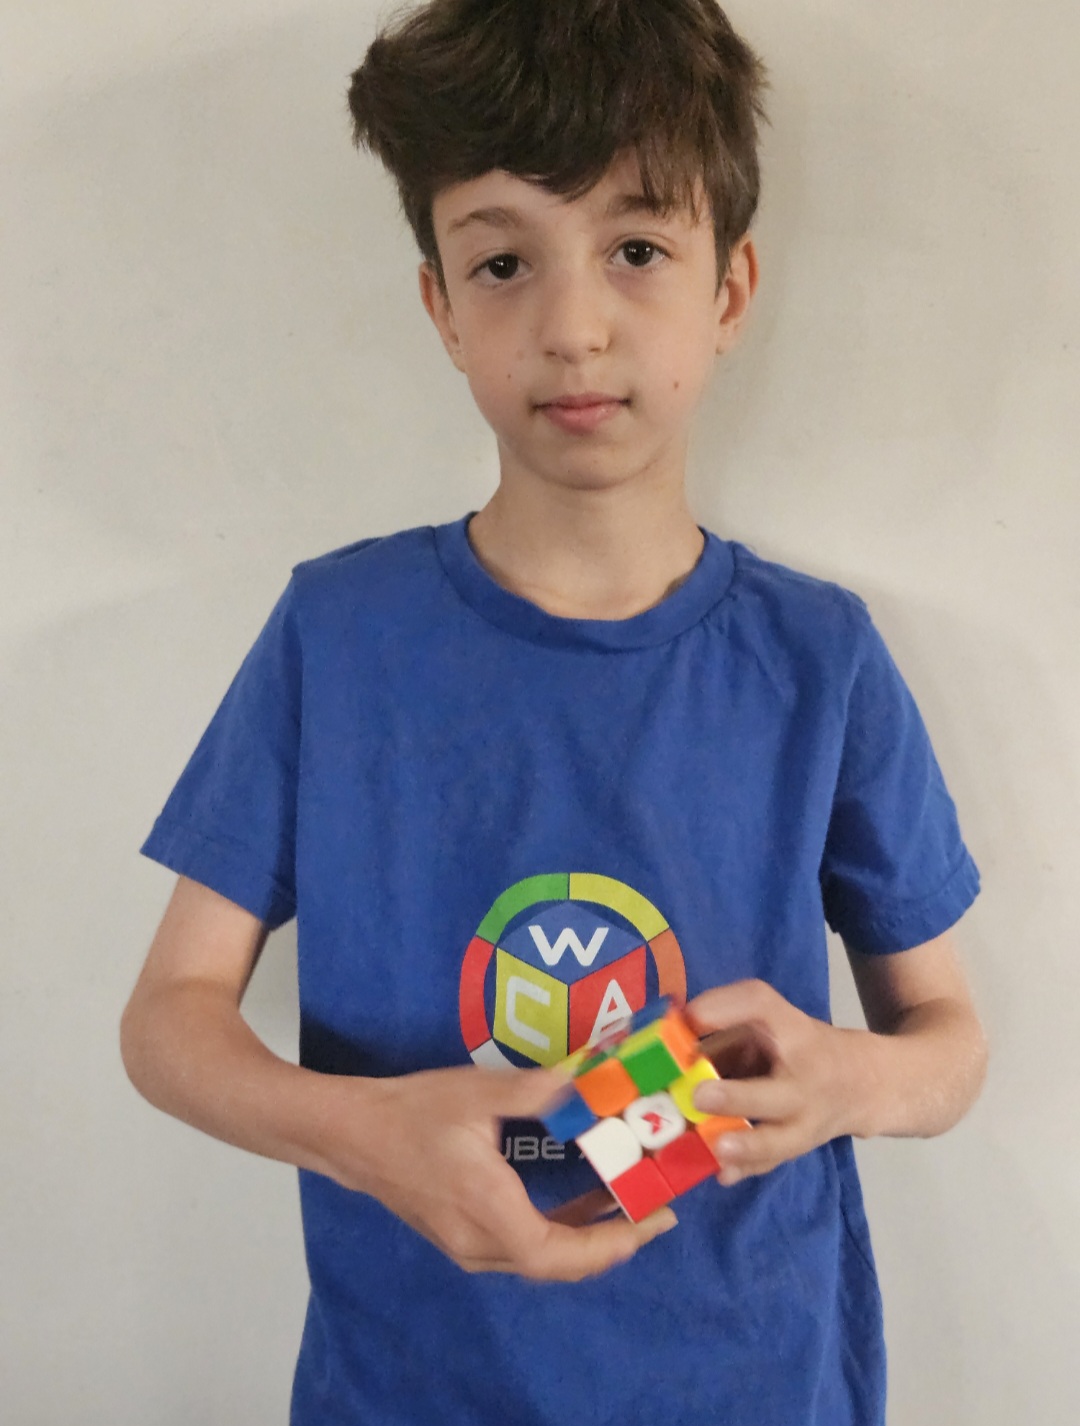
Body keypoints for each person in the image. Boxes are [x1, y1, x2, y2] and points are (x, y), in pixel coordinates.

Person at [120, 1, 989, 1422]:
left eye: (637, 249)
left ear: (729, 289)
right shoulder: (336, 637)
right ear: (441, 308)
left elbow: (948, 1040)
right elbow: (167, 1020)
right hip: (411, 1386)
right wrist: (366, 1128)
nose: (575, 328)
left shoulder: (819, 658)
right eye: (504, 261)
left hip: (756, 1383)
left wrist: (846, 1083)